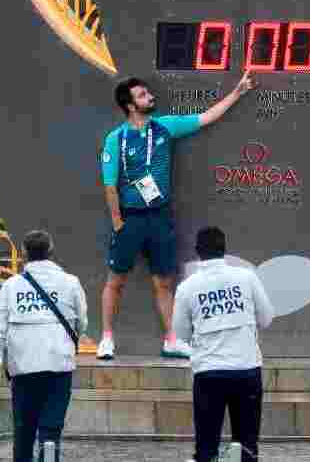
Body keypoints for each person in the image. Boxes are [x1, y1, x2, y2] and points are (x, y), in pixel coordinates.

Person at [98, 73, 254, 360]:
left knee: (163, 281)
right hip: (130, 219)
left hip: (159, 216)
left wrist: (237, 92)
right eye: (143, 95)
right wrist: (118, 221)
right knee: (116, 281)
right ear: (130, 106)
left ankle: (171, 339)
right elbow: (110, 185)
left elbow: (206, 117)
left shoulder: (164, 127)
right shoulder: (115, 139)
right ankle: (106, 338)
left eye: (148, 93)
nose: (150, 97)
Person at [172, 227, 273, 462]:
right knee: (246, 447)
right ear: (224, 250)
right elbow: (266, 318)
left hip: (209, 373)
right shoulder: (246, 277)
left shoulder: (187, 287)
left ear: (198, 252)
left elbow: (181, 332)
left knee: (207, 448)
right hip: (246, 370)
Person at [0, 231, 87, 462]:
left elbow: (2, 331)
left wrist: (3, 364)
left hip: (22, 365)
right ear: (51, 251)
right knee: (51, 428)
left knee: (24, 429)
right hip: (58, 363)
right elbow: (82, 322)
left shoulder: (10, 286)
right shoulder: (70, 282)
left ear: (24, 254)